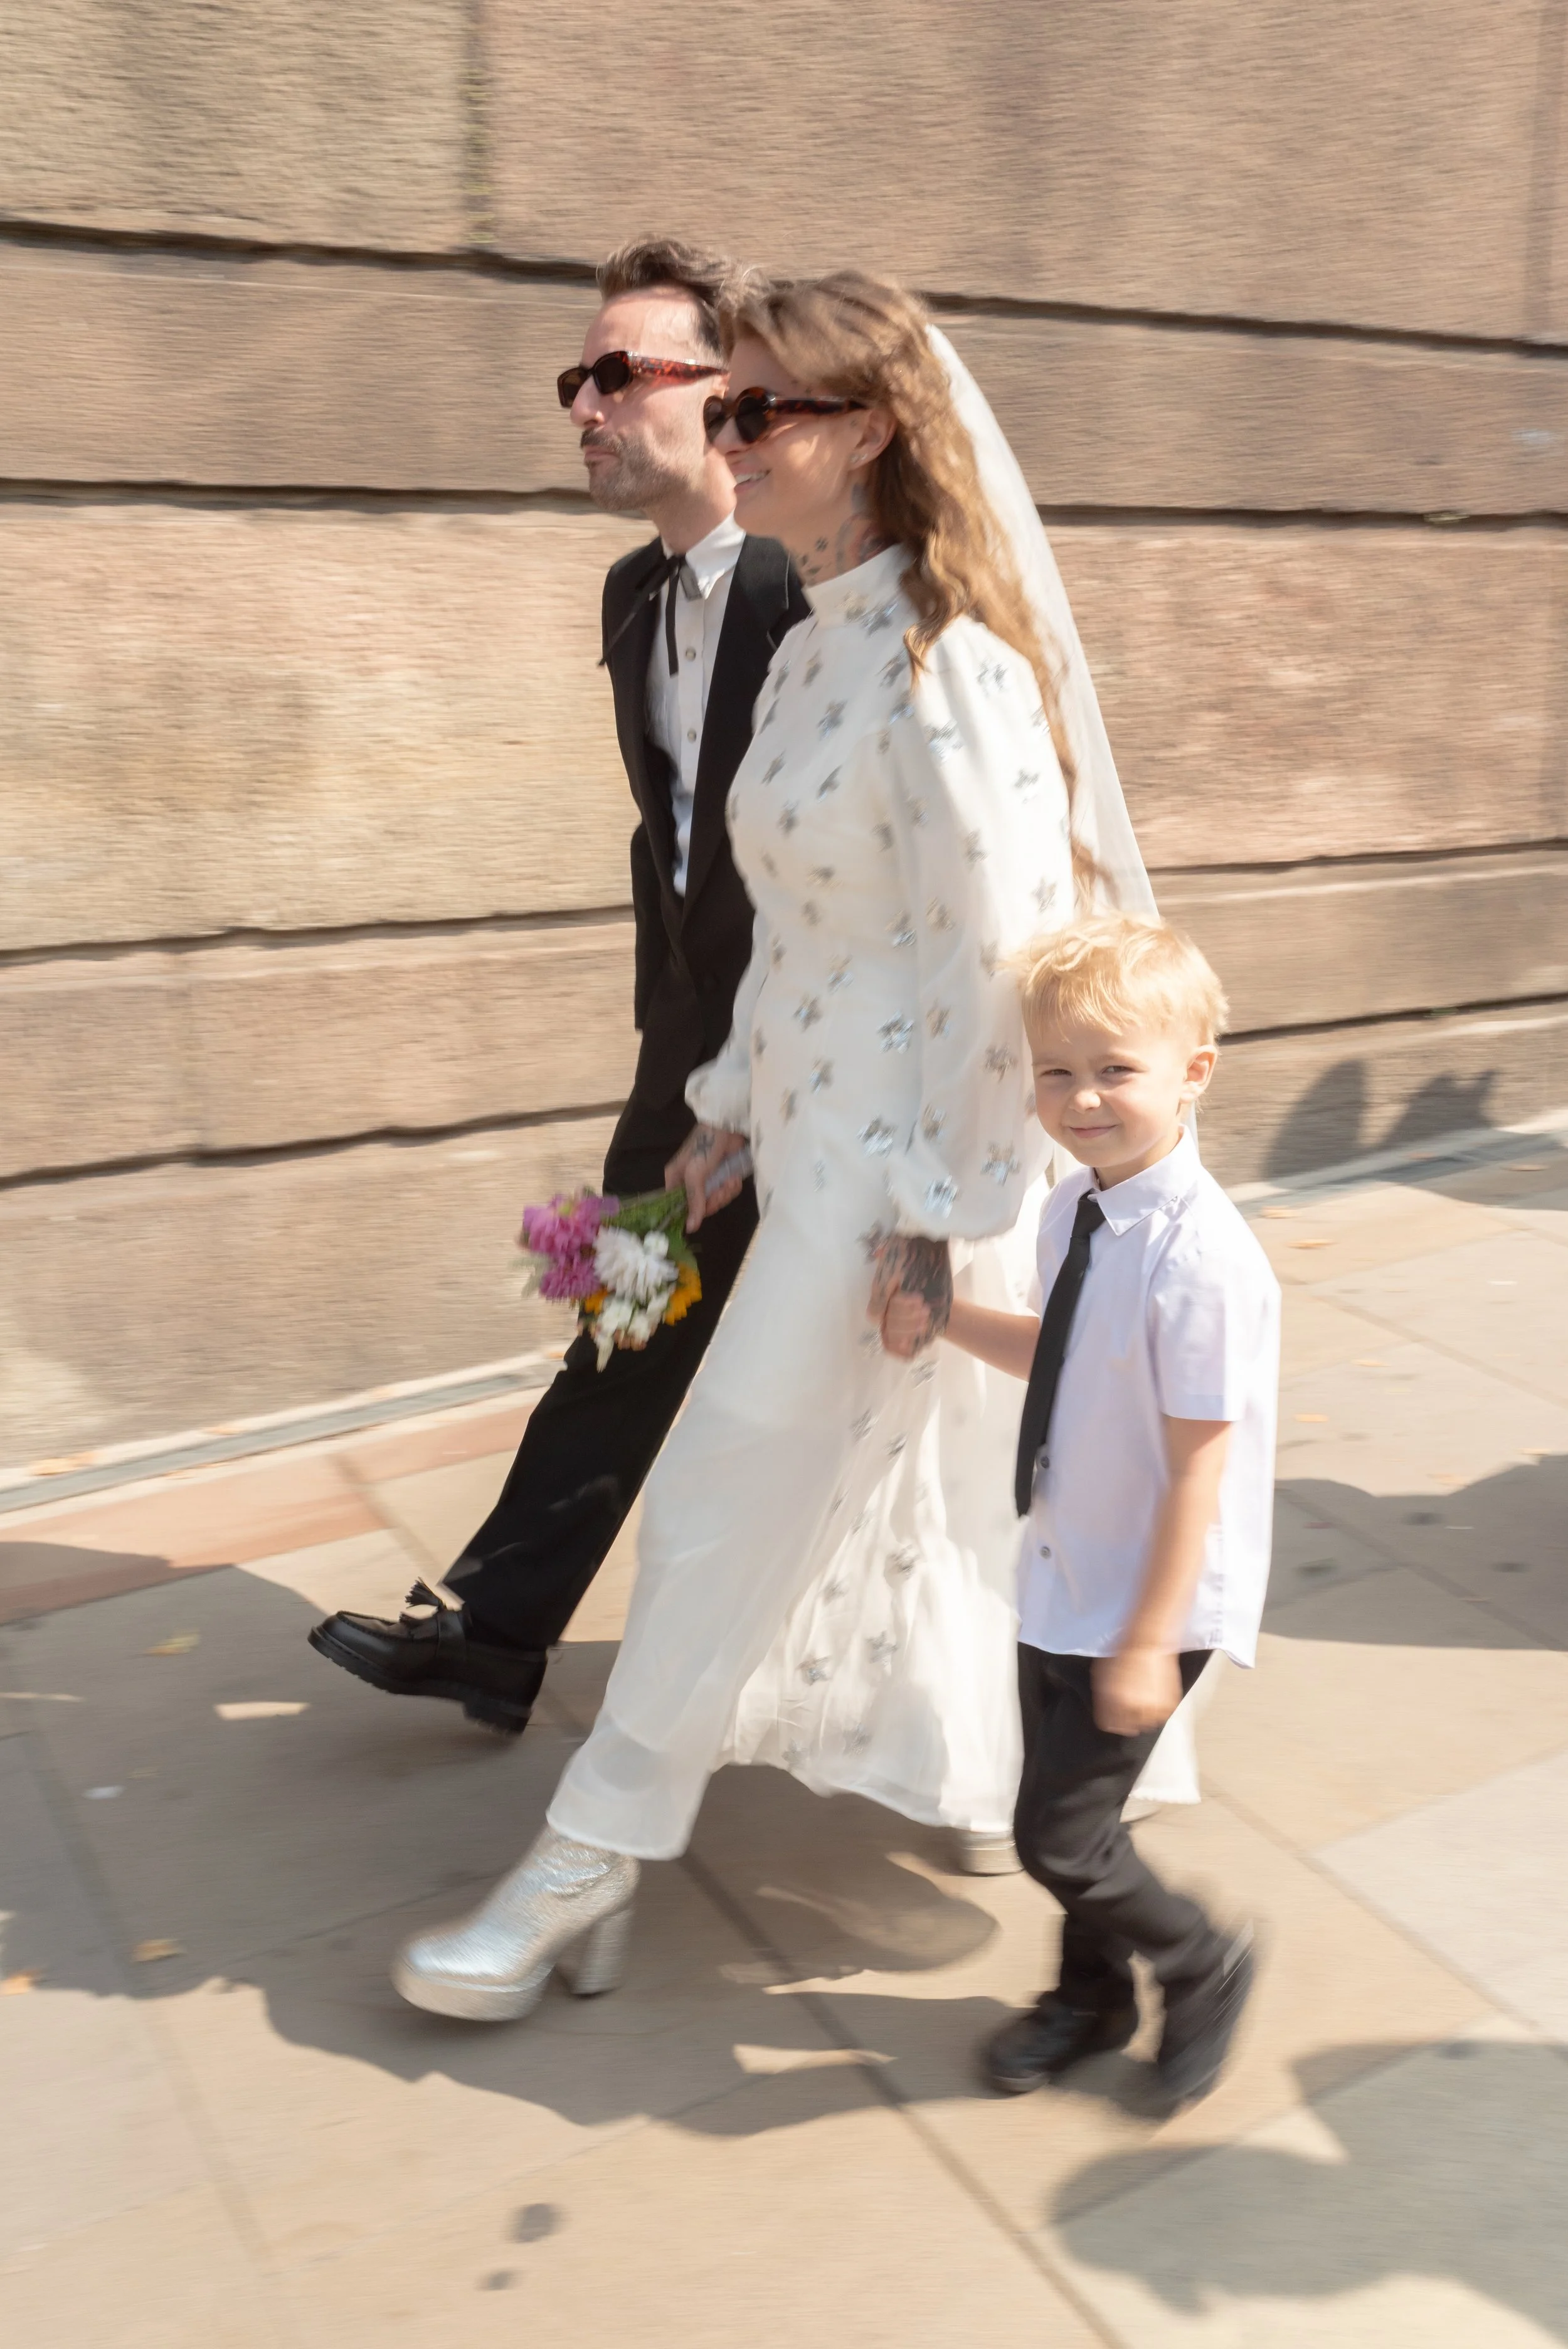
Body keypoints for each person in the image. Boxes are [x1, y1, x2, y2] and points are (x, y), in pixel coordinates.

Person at [391, 270, 1162, 2025]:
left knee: (730, 1493)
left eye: (756, 412)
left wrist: (939, 1227)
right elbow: (798, 932)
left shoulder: (947, 672)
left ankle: (580, 1863)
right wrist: (722, 1116)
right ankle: (1013, 1790)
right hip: (804, 1145)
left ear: (868, 429)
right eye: (718, 409)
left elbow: (1003, 964)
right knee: (929, 1506)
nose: (728, 438)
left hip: (896, 1174)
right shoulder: (814, 644)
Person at [307, 238, 808, 1734]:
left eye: (619, 372)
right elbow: (670, 833)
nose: (583, 404)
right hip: (688, 1054)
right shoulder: (625, 596)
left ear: (730, 397)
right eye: (573, 380)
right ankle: (495, 1628)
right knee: (627, 1319)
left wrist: (765, 1076)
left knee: (863, 1391)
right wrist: (678, 1039)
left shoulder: (809, 588)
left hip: (824, 1057)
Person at [898, 914, 1279, 2109]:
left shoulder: (1204, 1261)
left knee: (1061, 1837)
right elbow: (1065, 1357)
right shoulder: (1078, 1209)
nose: (1083, 1099)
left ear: (1192, 1071)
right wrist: (946, 1317)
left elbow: (1201, 1471)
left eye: (1116, 1070)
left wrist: (1145, 1642)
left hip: (1151, 1595)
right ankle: (1090, 1997)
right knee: (1076, 1815)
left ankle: (1201, 1960)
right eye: (1056, 1072)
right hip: (1069, 1563)